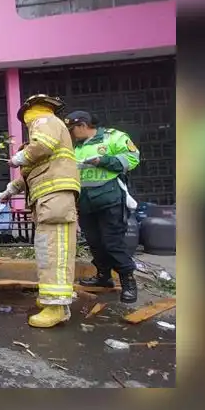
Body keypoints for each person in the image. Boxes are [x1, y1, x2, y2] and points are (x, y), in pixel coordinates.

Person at [0, 94, 80, 328]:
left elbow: (41, 147)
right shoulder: (49, 126)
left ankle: (57, 307)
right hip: (50, 199)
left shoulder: (44, 120)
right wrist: (10, 191)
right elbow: (29, 173)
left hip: (55, 198)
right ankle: (51, 299)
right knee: (47, 250)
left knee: (55, 250)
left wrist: (19, 157)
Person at [63, 111, 140, 303]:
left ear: (82, 125)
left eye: (72, 129)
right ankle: (103, 276)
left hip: (110, 199)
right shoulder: (75, 147)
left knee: (113, 243)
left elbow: (133, 158)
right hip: (86, 203)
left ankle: (128, 282)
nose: (71, 134)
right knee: (95, 243)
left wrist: (103, 161)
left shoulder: (113, 137)